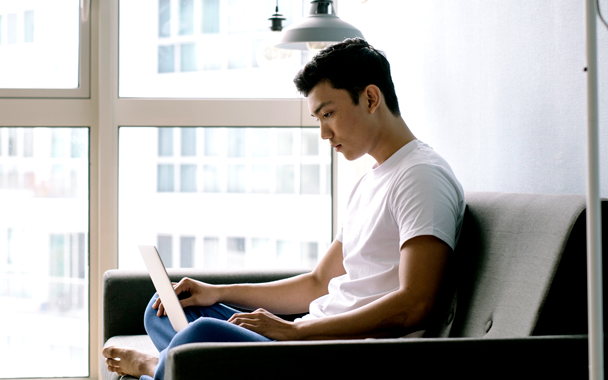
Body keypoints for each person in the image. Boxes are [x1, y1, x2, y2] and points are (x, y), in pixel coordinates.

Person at [102, 38, 465, 380]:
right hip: (307, 337)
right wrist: (217, 292)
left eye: (329, 114)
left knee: (202, 331)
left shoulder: (420, 177)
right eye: (318, 119)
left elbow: (416, 304)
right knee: (165, 306)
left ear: (371, 98)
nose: (324, 133)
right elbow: (318, 283)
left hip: (339, 354)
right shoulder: (372, 180)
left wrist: (297, 331)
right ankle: (189, 364)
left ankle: (157, 366)